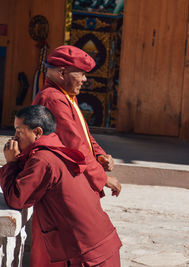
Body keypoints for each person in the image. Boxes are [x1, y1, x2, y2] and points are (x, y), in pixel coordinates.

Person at [31, 45, 121, 266]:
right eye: (80, 73)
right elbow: (75, 144)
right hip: (61, 185)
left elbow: (84, 134)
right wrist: (103, 178)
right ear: (62, 73)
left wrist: (99, 155)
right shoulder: (52, 98)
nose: (84, 80)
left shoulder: (66, 96)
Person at [0, 105, 122, 266]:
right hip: (100, 245)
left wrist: (10, 164)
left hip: (88, 255)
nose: (14, 138)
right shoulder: (55, 150)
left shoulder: (43, 159)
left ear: (37, 132)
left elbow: (17, 198)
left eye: (19, 131)